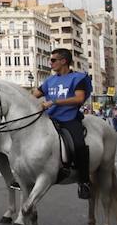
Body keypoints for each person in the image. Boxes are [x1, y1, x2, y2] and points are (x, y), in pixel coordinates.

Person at [33, 47, 93, 199]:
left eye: (53, 60)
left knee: (79, 145)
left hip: (69, 118)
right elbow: (34, 96)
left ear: (64, 61)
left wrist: (53, 102)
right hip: (49, 118)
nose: (50, 63)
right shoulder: (50, 80)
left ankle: (84, 182)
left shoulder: (78, 78)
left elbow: (79, 98)